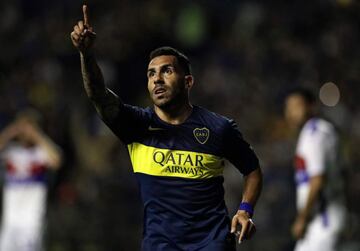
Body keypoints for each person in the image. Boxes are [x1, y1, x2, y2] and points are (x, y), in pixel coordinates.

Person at [71, 5, 262, 251]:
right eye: (151, 74)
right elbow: (98, 95)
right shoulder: (136, 125)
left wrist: (245, 211)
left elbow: (252, 170)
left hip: (212, 245)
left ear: (188, 81)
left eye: (167, 71)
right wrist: (86, 55)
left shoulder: (218, 128)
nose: (157, 79)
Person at [285, 88, 347, 251]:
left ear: (311, 106)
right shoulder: (316, 131)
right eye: (289, 107)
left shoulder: (314, 133)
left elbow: (318, 179)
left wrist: (302, 219)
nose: (292, 112)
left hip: (324, 219)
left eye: (297, 106)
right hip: (321, 220)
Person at [0, 109, 62, 251]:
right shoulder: (11, 151)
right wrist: (11, 131)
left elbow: (56, 160)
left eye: (30, 126)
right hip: (10, 220)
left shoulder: (40, 153)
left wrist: (37, 136)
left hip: (32, 221)